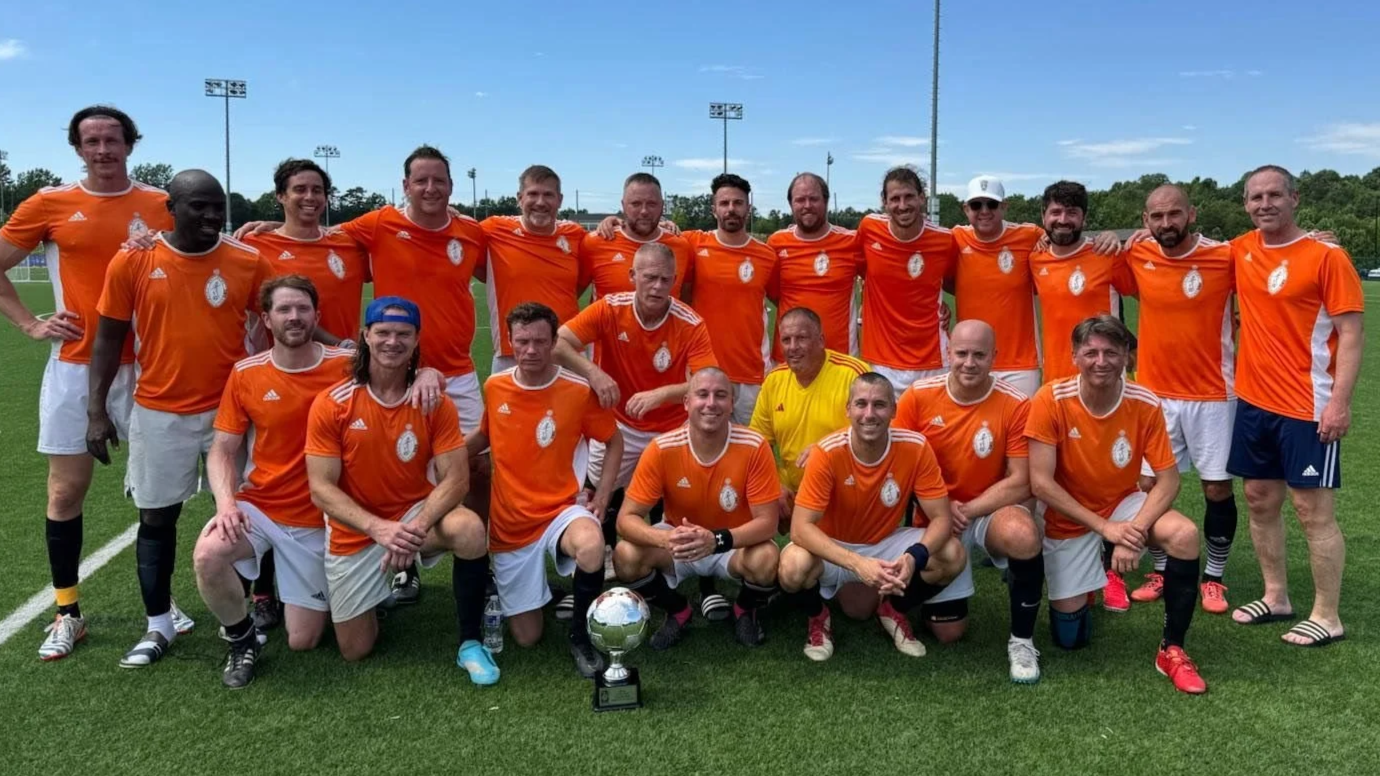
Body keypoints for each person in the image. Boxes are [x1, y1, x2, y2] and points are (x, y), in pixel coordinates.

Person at [240, 146, 487, 604]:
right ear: (406, 185)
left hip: (457, 371)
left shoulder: (474, 232)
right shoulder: (376, 225)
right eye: (421, 181)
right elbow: (316, 230)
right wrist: (278, 226)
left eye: (439, 181)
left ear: (451, 187)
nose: (431, 189)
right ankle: (396, 563)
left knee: (471, 465)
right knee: (390, 466)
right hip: (393, 370)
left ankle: (478, 557)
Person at [0, 105, 172, 660]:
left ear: (130, 144)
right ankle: (68, 612)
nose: (103, 149)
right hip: (76, 365)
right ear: (77, 148)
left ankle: (162, 607)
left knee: (157, 493)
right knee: (65, 490)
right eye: (92, 141)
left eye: (113, 139)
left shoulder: (159, 205)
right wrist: (30, 322)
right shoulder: (49, 204)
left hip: (150, 364)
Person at [88, 169, 274, 668]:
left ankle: (247, 613)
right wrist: (96, 411)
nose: (212, 215)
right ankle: (159, 624)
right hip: (159, 410)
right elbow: (108, 338)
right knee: (156, 518)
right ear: (170, 208)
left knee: (245, 514)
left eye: (218, 206)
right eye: (199, 206)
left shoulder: (245, 259)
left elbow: (284, 316)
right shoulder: (135, 258)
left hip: (232, 412)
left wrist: (341, 347)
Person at [304, 297, 497, 683]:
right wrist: (380, 529)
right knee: (355, 650)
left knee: (470, 529)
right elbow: (321, 489)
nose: (393, 342)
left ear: (416, 340)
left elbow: (457, 478)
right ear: (366, 336)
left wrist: (416, 527)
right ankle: (373, 600)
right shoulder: (333, 403)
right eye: (384, 333)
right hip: (357, 531)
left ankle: (471, 643)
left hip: (413, 516)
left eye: (403, 334)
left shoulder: (433, 402)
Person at [1026, 314, 1206, 694]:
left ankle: (1171, 649)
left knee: (1185, 535)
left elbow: (1169, 480)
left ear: (1127, 355)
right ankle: (1091, 579)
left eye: (1111, 351)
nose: (1101, 361)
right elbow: (1040, 483)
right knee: (1070, 638)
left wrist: (1132, 533)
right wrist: (1106, 529)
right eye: (1090, 352)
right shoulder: (1050, 398)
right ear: (1074, 355)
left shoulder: (1144, 402)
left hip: (1123, 504)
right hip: (1068, 514)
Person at [1226, 165, 1364, 647]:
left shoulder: (1327, 257)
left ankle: (1327, 615)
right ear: (1245, 204)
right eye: (1255, 197)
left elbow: (1350, 333)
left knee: (1312, 511)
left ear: (1295, 198)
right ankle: (1276, 595)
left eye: (1274, 195)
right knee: (1260, 501)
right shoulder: (1240, 250)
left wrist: (1340, 404)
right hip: (1254, 403)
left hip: (1309, 406)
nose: (1265, 204)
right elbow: (1186, 252)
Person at [193, 276, 354, 688]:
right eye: (284, 309)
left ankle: (305, 587)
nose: (294, 317)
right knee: (209, 554)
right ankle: (241, 638)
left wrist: (425, 376)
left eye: (302, 308)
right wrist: (226, 505)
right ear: (267, 319)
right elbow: (223, 450)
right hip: (261, 507)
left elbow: (402, 366)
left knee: (304, 640)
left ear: (317, 315)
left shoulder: (345, 366)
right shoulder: (246, 373)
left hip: (321, 517)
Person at [464, 302, 622, 678]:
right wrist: (441, 455)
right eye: (522, 341)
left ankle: (581, 636)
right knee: (526, 637)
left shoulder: (577, 391)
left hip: (560, 511)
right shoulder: (496, 386)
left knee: (590, 543)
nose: (531, 350)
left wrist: (601, 496)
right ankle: (537, 585)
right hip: (510, 524)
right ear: (510, 341)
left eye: (539, 341)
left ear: (554, 342)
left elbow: (614, 440)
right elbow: (486, 435)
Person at [777, 373, 966, 662]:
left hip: (883, 542)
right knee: (792, 566)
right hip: (832, 545)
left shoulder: (916, 447)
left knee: (951, 553)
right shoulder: (827, 452)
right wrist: (857, 564)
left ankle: (893, 609)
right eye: (861, 404)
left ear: (893, 409)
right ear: (848, 410)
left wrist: (914, 556)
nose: (869, 414)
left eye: (879, 405)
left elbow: (940, 518)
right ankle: (818, 617)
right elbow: (800, 529)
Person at [894, 320, 1044, 683]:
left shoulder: (1015, 403)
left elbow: (1021, 480)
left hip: (982, 511)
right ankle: (906, 599)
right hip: (933, 514)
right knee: (949, 634)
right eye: (961, 353)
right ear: (949, 352)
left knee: (1023, 533)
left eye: (979, 355)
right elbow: (898, 465)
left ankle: (1022, 641)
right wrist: (940, 509)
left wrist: (968, 510)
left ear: (995, 356)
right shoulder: (918, 396)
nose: (969, 363)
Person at [1122, 185, 1239, 615]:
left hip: (1213, 394)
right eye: (1157, 216)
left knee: (1216, 488)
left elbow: (1272, 252)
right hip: (1154, 395)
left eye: (1174, 214)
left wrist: (1317, 239)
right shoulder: (1135, 255)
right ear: (1145, 219)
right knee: (1147, 485)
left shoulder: (1226, 255)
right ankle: (1162, 567)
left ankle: (1214, 577)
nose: (1166, 223)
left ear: (1192, 214)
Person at [554, 243, 718, 537]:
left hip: (669, 426)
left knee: (677, 492)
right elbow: (558, 343)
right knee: (598, 486)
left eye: (666, 280)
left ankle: (670, 559)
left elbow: (705, 382)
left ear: (675, 280)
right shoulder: (610, 308)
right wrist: (594, 373)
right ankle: (601, 547)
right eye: (650, 277)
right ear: (632, 275)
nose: (657, 287)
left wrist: (662, 394)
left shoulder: (690, 323)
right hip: (618, 421)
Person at [615, 367, 782, 649]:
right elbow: (625, 519)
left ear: (731, 403)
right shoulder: (661, 448)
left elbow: (768, 523)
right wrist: (665, 538)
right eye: (702, 394)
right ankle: (678, 611)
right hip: (679, 541)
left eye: (720, 396)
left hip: (731, 543)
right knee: (625, 555)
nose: (711, 403)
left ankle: (744, 610)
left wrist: (715, 540)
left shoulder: (754, 446)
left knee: (766, 558)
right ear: (687, 403)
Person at [749, 307, 868, 530]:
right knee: (744, 495)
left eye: (801, 338)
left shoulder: (854, 375)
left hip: (845, 487)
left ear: (821, 340)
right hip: (794, 493)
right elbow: (757, 446)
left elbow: (879, 435)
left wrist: (828, 451)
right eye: (786, 340)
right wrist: (773, 486)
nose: (793, 348)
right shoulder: (774, 381)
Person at [680, 174, 777, 423]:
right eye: (724, 204)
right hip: (703, 369)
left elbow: (782, 299)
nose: (731, 209)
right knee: (703, 449)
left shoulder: (767, 256)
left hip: (751, 373)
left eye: (738, 203)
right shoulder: (692, 244)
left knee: (751, 449)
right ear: (714, 209)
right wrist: (613, 222)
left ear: (748, 207)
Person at [857, 167, 958, 396]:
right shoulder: (869, 229)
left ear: (921, 198)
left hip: (933, 360)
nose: (902, 205)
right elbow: (861, 270)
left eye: (909, 196)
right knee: (885, 431)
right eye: (895, 198)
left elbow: (954, 281)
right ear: (884, 202)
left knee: (935, 431)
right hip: (882, 361)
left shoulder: (945, 239)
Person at [242, 159, 367, 343]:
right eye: (300, 189)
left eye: (317, 190)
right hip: (283, 367)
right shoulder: (253, 245)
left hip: (343, 365)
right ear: (280, 196)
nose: (310, 196)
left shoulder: (350, 244)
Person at [480, 165, 588, 373]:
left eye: (548, 194)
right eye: (533, 194)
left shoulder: (576, 234)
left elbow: (580, 285)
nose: (540, 202)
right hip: (513, 353)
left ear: (560, 200)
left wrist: (613, 222)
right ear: (519, 198)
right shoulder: (493, 229)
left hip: (566, 352)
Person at [1028, 181, 1137, 386]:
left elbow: (1146, 296)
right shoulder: (1035, 258)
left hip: (1105, 376)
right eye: (1056, 212)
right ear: (1044, 216)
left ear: (1084, 218)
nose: (1063, 219)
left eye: (1072, 213)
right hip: (1056, 379)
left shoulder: (1107, 254)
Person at [767, 173, 862, 358]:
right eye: (800, 200)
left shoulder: (851, 241)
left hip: (840, 359)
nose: (807, 205)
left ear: (825, 201)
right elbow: (774, 294)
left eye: (813, 199)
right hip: (789, 359)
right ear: (791, 204)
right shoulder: (776, 243)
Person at [580, 173, 691, 300]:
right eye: (636, 204)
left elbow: (686, 299)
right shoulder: (596, 242)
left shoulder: (681, 246)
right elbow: (570, 294)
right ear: (623, 205)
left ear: (662, 205)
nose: (644, 211)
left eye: (651, 204)